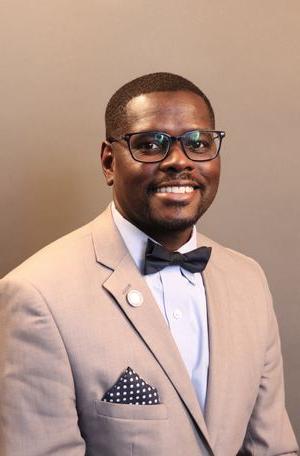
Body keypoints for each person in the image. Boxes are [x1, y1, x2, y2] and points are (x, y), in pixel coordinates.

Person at [0, 72, 298, 456]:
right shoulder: (36, 295)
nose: (179, 161)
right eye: (151, 144)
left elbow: (272, 448)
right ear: (109, 162)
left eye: (198, 142)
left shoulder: (248, 279)